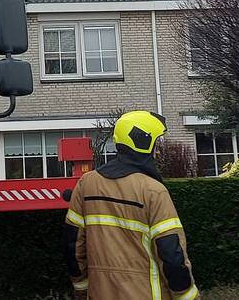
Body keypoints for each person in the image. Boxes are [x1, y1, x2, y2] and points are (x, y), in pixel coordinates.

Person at [64, 111, 200, 300]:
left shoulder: (86, 184)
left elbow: (73, 244)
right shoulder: (153, 191)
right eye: (155, 143)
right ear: (144, 142)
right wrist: (187, 296)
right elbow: (171, 255)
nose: (157, 151)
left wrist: (81, 288)